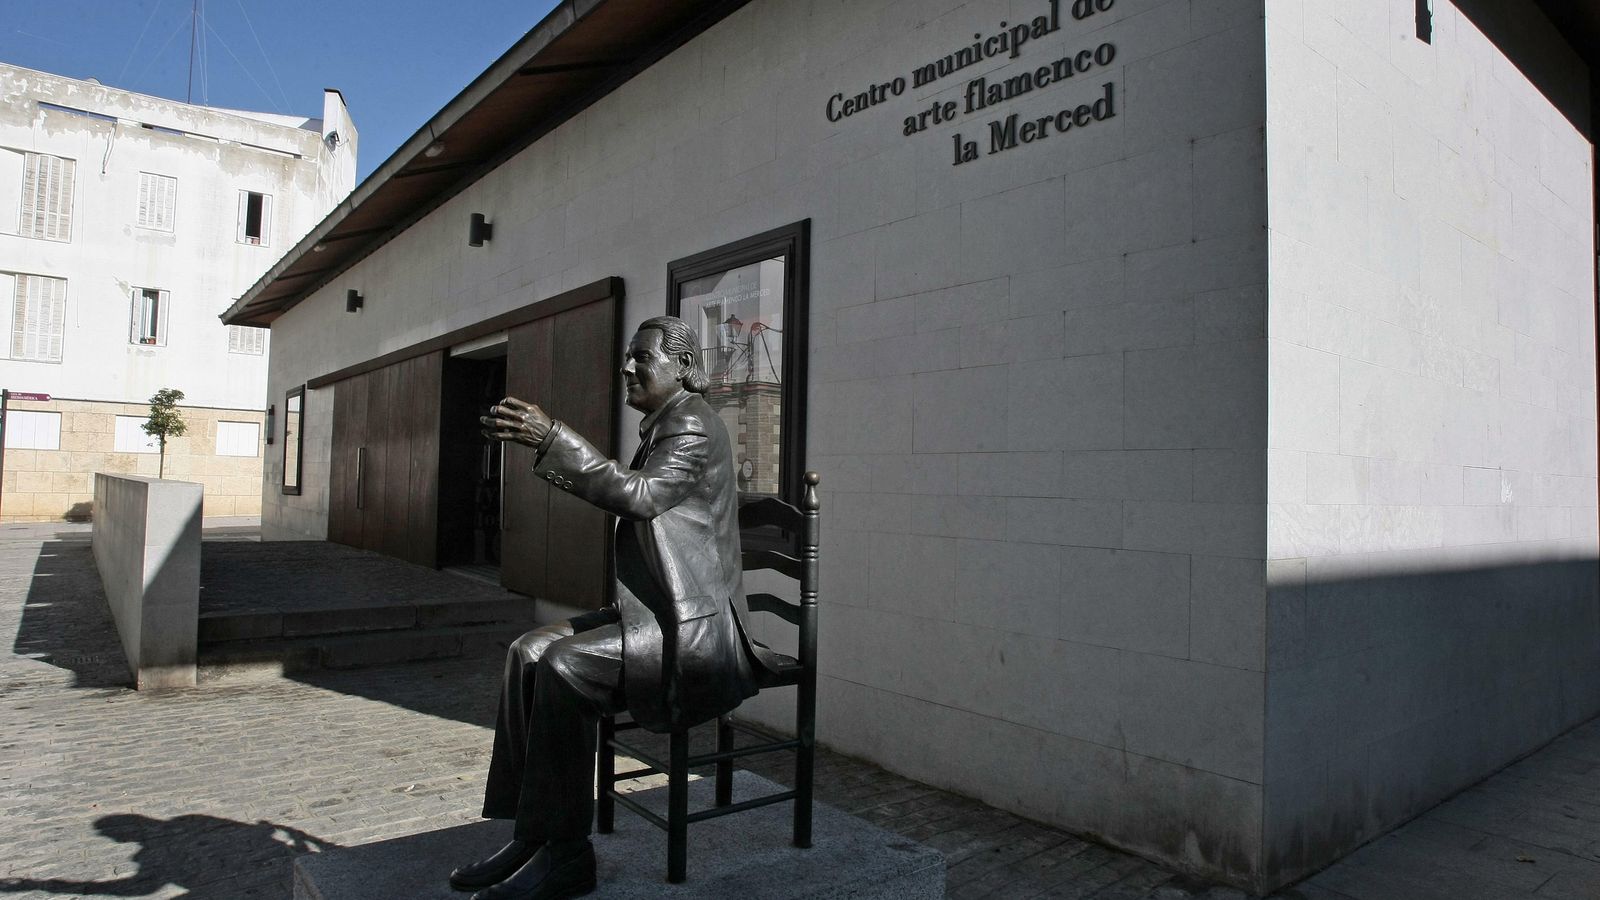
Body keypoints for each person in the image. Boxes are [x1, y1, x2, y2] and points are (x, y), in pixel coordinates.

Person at [452, 315, 780, 900]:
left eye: (641, 358)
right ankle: (533, 835)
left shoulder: (693, 425)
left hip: (695, 627)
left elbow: (642, 496)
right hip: (655, 611)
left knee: (564, 665)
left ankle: (569, 858)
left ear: (681, 368)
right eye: (628, 355)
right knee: (527, 650)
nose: (627, 366)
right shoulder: (666, 421)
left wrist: (552, 437)